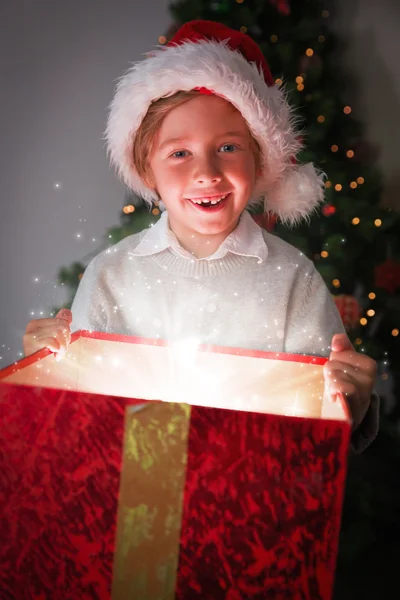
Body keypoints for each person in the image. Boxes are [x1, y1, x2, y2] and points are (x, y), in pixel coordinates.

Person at [23, 20, 378, 451]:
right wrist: (41, 375)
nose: (206, 173)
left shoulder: (293, 280)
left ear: (260, 159)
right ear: (146, 166)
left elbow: (317, 429)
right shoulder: (111, 275)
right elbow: (70, 425)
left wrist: (350, 409)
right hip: (136, 501)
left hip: (251, 501)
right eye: (179, 153)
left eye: (228, 147)